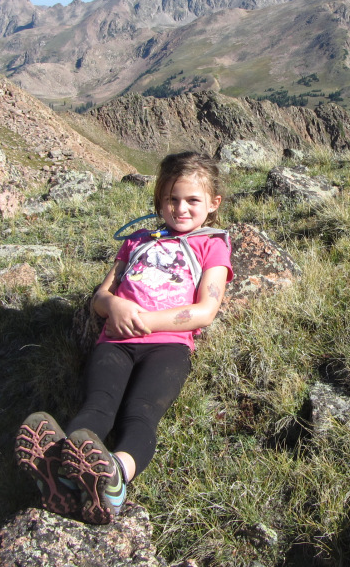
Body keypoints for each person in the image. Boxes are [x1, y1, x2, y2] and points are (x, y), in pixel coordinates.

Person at [14, 152, 233, 524]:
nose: (180, 208)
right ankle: (65, 478)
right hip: (114, 342)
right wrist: (112, 307)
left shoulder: (213, 244)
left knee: (141, 413)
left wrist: (146, 320)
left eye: (193, 200)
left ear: (213, 204)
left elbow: (205, 310)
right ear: (158, 201)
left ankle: (114, 476)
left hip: (169, 346)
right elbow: (101, 296)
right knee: (96, 407)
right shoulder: (137, 241)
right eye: (171, 199)